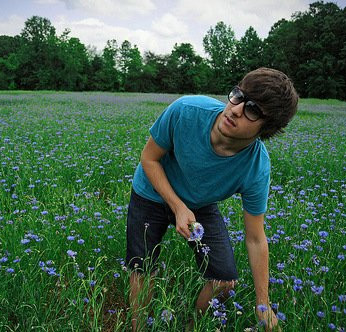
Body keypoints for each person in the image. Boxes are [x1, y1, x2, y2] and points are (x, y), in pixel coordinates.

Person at [126, 67, 298, 331]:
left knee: (223, 281)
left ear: (267, 128)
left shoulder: (256, 166)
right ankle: (136, 328)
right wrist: (178, 206)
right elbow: (149, 159)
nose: (236, 109)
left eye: (252, 110)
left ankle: (192, 325)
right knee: (142, 269)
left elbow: (255, 238)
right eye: (239, 96)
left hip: (199, 204)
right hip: (151, 191)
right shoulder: (186, 111)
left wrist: (263, 304)